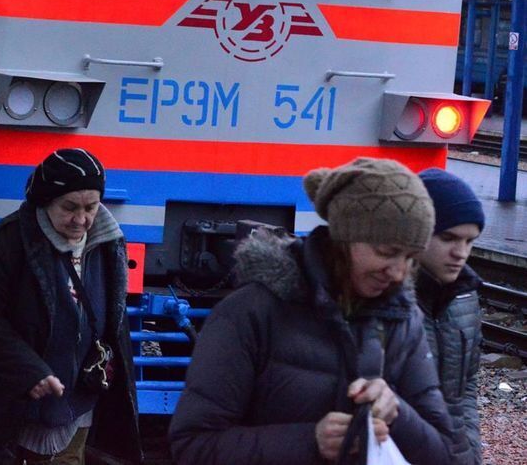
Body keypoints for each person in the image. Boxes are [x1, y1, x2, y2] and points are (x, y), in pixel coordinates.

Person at [170, 157, 463, 465]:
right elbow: (193, 445)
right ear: (344, 239)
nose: (399, 273)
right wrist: (309, 442)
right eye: (387, 252)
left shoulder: (404, 320)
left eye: (411, 258)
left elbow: (443, 453)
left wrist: (398, 413)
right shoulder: (251, 313)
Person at [0, 149, 141, 465]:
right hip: (19, 405)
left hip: (80, 400)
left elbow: (114, 318)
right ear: (45, 201)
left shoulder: (109, 242)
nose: (81, 219)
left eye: (90, 208)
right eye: (69, 207)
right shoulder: (8, 242)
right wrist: (28, 369)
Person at [416, 168, 486, 464]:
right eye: (449, 238)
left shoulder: (465, 297)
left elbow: (465, 388)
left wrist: (471, 450)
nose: (462, 252)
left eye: (470, 241)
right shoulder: (384, 299)